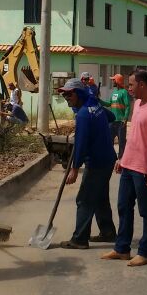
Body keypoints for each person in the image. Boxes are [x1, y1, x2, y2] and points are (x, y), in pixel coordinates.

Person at [102, 69, 147, 267]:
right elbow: (133, 136)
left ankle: (145, 252)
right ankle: (122, 248)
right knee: (123, 206)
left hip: (145, 169)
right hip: (129, 166)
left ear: (142, 85)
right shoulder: (137, 104)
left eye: (131, 85)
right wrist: (122, 158)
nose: (129, 89)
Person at [58, 78, 117, 249]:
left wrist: (74, 169)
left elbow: (81, 144)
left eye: (69, 94)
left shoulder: (84, 115)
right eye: (64, 94)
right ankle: (108, 232)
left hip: (97, 162)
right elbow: (111, 116)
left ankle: (80, 239)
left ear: (79, 93)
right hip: (107, 159)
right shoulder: (95, 105)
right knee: (100, 198)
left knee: (84, 200)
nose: (66, 97)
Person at [101, 73, 131, 154]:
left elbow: (128, 106)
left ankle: (121, 159)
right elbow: (109, 104)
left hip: (121, 122)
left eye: (113, 80)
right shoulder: (114, 92)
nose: (112, 81)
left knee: (121, 142)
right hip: (112, 121)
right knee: (109, 141)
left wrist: (125, 118)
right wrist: (99, 101)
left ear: (117, 81)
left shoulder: (124, 92)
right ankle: (111, 158)